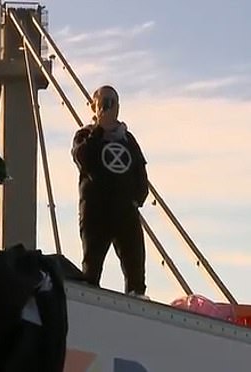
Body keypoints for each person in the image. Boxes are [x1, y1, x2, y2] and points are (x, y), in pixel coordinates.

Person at [71, 85, 149, 298]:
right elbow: (82, 159)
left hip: (125, 212)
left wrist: (137, 199)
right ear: (93, 106)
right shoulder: (85, 135)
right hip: (96, 213)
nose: (108, 106)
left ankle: (137, 306)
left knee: (135, 271)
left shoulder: (128, 139)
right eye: (103, 102)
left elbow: (140, 171)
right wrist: (99, 130)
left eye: (111, 102)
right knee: (91, 269)